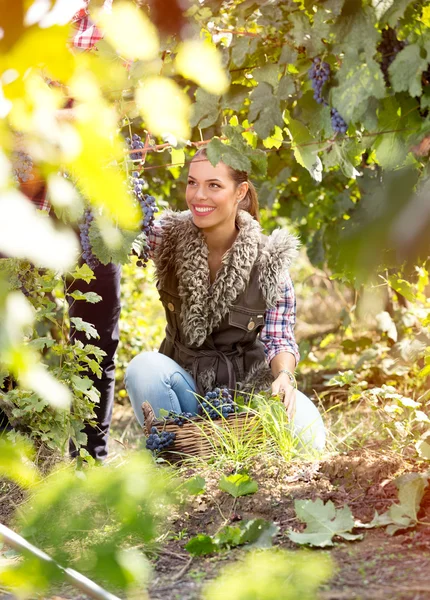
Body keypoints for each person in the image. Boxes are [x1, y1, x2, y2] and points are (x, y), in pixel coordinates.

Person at [125, 149, 326, 450]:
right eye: (192, 183)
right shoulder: (169, 238)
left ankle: (235, 448)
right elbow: (127, 229)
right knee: (143, 369)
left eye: (214, 185)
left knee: (308, 435)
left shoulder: (268, 261)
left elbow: (279, 338)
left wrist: (284, 375)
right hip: (186, 390)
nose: (198, 196)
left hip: (244, 393)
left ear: (240, 191)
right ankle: (179, 454)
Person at [0, 0, 120, 461]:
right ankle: (16, 455)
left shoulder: (121, 26)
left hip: (89, 197)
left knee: (96, 328)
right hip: (20, 196)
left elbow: (116, 116)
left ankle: (92, 458)